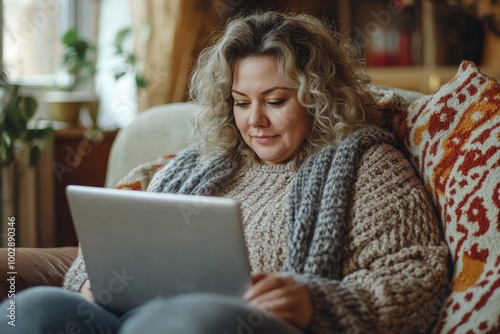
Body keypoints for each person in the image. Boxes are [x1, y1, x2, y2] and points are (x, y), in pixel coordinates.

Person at [0, 10, 449, 334]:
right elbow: (98, 254)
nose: (254, 120)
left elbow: (416, 276)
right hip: (130, 317)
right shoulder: (195, 166)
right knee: (36, 310)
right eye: (240, 102)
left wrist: (317, 301)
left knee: (184, 321)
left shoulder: (367, 165)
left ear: (317, 97)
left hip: (242, 325)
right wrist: (86, 284)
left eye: (275, 101)